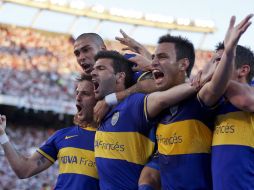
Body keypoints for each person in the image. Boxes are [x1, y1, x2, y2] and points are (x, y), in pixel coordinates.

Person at [146, 14, 252, 189]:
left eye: (218, 61)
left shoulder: (208, 98)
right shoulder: (164, 102)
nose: (212, 67)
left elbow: (224, 89)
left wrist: (229, 51)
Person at [91, 50, 203, 190]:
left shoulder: (134, 103)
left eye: (101, 68)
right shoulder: (102, 110)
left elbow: (161, 95)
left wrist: (199, 81)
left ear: (120, 77)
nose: (93, 73)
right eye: (94, 69)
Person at [0, 74, 100, 190]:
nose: (78, 97)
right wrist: (2, 135)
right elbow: (24, 169)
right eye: (77, 93)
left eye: (85, 93)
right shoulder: (62, 136)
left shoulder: (114, 138)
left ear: (100, 100)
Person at [211, 43, 254, 189]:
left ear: (243, 70)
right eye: (215, 61)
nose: (215, 67)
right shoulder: (215, 101)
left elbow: (246, 101)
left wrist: (213, 79)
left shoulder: (250, 92)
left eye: (222, 61)